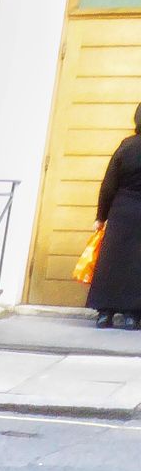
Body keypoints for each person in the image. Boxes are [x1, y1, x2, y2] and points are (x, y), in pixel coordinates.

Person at [87, 103, 141, 330]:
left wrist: (101, 215)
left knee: (111, 259)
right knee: (137, 262)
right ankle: (132, 315)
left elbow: (109, 184)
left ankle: (104, 313)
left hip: (121, 210)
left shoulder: (126, 146)